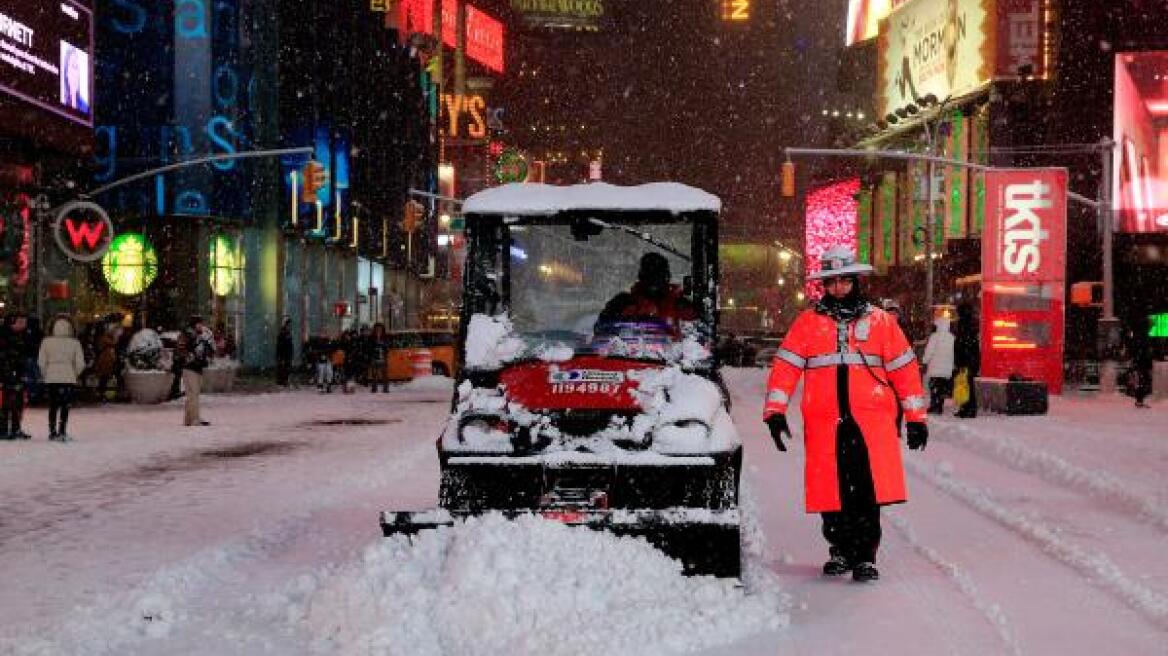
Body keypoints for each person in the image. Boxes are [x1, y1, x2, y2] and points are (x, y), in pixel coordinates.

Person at [762, 245, 928, 583]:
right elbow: (786, 367)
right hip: (825, 423)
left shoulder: (881, 322)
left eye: (844, 281)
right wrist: (775, 411)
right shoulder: (808, 323)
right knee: (831, 488)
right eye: (832, 282)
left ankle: (865, 556)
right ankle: (839, 550)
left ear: (856, 281)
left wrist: (916, 418)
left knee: (867, 490)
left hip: (871, 424)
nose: (838, 288)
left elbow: (905, 372)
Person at [597, 252, 696, 331]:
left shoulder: (681, 305)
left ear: (666, 277)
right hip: (628, 355)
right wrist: (627, 323)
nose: (654, 282)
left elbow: (700, 339)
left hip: (673, 355)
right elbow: (601, 331)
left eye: (658, 276)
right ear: (641, 276)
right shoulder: (622, 302)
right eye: (649, 275)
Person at [37, 315, 86, 441]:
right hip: (68, 377)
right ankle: (62, 430)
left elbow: (41, 362)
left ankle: (52, 431)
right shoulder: (75, 343)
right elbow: (80, 363)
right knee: (65, 406)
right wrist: (74, 374)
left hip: (52, 377)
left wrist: (45, 374)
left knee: (53, 405)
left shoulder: (46, 342)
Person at [0, 312, 32, 439]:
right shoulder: (4, 335)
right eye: (20, 322)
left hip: (18, 373)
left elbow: (23, 355)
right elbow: (4, 356)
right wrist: (7, 372)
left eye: (24, 322)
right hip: (6, 374)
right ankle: (3, 429)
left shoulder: (22, 335)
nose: (23, 325)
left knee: (17, 402)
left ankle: (15, 428)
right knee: (6, 402)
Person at [179, 315, 213, 426]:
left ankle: (189, 418)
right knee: (193, 394)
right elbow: (183, 349)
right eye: (200, 324)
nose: (202, 326)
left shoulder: (196, 336)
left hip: (195, 367)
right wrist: (191, 357)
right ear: (195, 324)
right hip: (191, 368)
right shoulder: (190, 335)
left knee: (192, 395)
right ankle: (194, 419)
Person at [921, 316, 956, 414]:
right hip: (946, 370)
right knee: (942, 389)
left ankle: (934, 406)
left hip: (935, 369)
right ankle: (939, 406)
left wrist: (925, 361)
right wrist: (952, 366)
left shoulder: (934, 337)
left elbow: (929, 351)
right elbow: (954, 353)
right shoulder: (952, 338)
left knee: (934, 388)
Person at [953, 302, 980, 418]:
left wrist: (958, 360)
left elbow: (960, 344)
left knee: (964, 385)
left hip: (965, 360)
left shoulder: (963, 324)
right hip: (971, 359)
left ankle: (966, 408)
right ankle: (969, 408)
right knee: (968, 384)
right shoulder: (973, 324)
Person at [1126, 313, 1154, 408]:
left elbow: (1135, 348)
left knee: (1141, 381)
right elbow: (1143, 349)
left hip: (1140, 361)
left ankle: (1139, 399)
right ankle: (1139, 400)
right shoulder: (1144, 336)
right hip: (1142, 362)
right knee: (1143, 380)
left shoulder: (1140, 336)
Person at [61, 44, 90, 114]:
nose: (75, 74)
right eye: (73, 66)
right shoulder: (61, 102)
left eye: (77, 67)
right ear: (66, 72)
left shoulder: (86, 107)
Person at [367, 323, 390, 392]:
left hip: (382, 357)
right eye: (377, 329)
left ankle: (385, 388)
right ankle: (374, 388)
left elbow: (387, 347)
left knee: (384, 374)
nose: (378, 330)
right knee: (374, 374)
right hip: (375, 357)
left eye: (380, 328)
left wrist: (384, 349)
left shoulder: (385, 337)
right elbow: (370, 347)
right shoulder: (372, 338)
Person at [276, 318, 294, 386]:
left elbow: (290, 344)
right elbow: (280, 345)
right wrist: (280, 356)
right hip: (283, 354)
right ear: (287, 325)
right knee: (283, 368)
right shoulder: (283, 333)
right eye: (289, 325)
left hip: (287, 354)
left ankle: (285, 381)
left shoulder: (288, 332)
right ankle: (282, 381)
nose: (290, 326)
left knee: (287, 368)